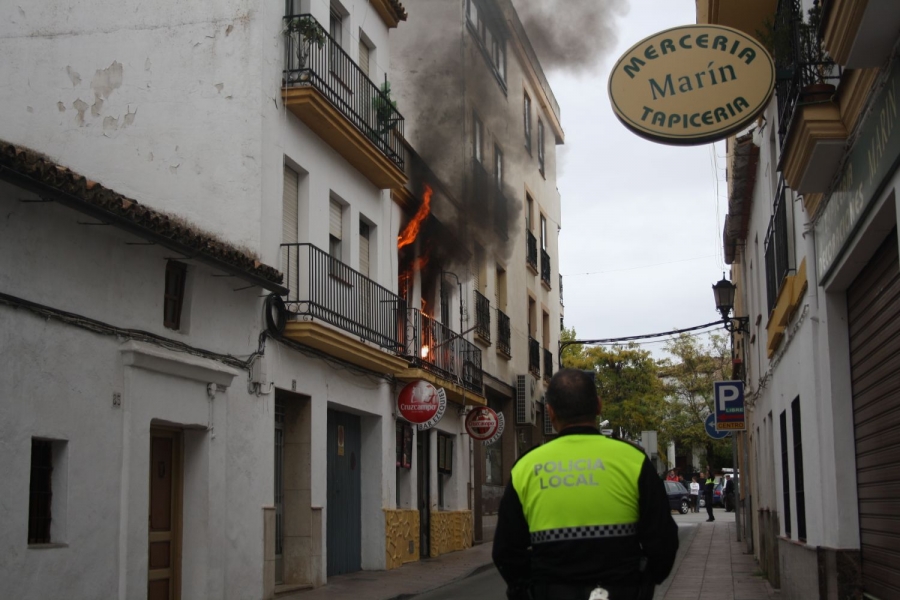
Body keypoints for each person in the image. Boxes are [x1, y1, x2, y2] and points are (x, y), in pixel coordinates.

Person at [492, 369, 679, 600]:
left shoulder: (526, 467)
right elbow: (664, 541)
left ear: (550, 412)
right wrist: (642, 584)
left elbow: (506, 551)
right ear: (598, 406)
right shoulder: (634, 461)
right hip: (621, 592)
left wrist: (528, 589)